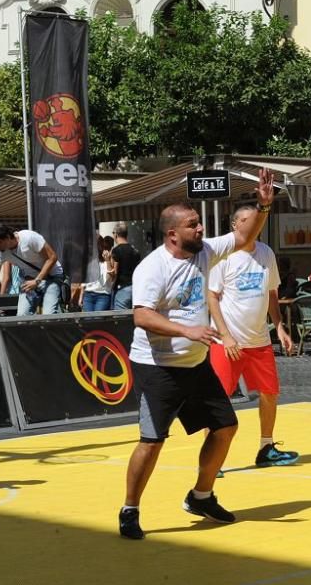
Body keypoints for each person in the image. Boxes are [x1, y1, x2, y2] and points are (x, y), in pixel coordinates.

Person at [119, 169, 276, 541]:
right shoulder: (153, 267)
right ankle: (130, 508)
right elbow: (141, 315)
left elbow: (243, 236)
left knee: (225, 428)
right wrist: (187, 329)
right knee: (152, 441)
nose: (201, 230)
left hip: (195, 364)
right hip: (158, 368)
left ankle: (201, 496)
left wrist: (264, 206)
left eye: (200, 224)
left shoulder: (205, 251)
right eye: (193, 225)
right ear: (173, 234)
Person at [207, 204, 298, 469]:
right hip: (227, 343)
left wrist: (279, 326)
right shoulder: (223, 256)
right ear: (235, 226)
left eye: (256, 219)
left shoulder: (266, 253)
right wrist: (225, 336)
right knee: (218, 399)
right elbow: (211, 296)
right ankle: (213, 460)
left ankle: (266, 448)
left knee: (270, 393)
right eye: (247, 220)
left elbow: (271, 293)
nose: (253, 224)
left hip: (259, 341)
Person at [0, 225, 65, 315]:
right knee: (22, 316)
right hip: (28, 280)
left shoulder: (29, 238)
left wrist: (37, 280)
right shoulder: (0, 253)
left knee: (49, 315)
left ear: (7, 237)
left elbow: (52, 258)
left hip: (51, 277)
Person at [110, 222, 140, 311]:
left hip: (122, 288)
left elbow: (114, 272)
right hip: (135, 288)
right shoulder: (135, 250)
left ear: (116, 234)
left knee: (120, 319)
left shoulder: (116, 250)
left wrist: (108, 260)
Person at [79, 235, 114, 312]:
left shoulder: (106, 259)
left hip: (102, 295)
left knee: (98, 320)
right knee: (89, 321)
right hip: (88, 295)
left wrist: (108, 261)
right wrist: (81, 296)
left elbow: (110, 278)